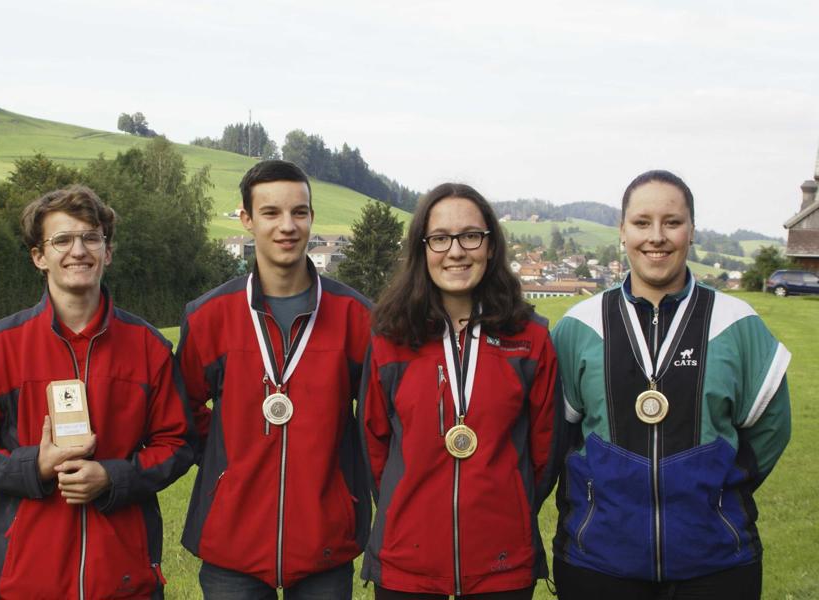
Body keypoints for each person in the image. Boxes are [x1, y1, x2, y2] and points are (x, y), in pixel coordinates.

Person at [0, 185, 195, 599]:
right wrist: (32, 467)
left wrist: (113, 477)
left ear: (107, 252)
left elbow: (178, 443)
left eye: (90, 237)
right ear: (39, 257)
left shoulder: (149, 348)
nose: (78, 250)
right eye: (62, 240)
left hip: (125, 581)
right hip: (27, 582)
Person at [550, 170, 792, 600]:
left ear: (692, 231)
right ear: (622, 231)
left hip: (716, 565)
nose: (656, 236)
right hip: (599, 564)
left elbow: (771, 428)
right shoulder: (578, 327)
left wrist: (716, 490)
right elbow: (555, 436)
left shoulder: (737, 325)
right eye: (642, 222)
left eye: (672, 222)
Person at [177, 160, 372, 599]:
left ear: (311, 218)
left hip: (325, 541)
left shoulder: (355, 316)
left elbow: (378, 417)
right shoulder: (209, 316)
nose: (287, 226)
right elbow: (181, 409)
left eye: (299, 212)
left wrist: (337, 475)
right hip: (232, 548)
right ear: (246, 219)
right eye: (271, 213)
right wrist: (230, 456)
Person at [359, 183, 564, 599]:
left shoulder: (530, 339)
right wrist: (409, 508)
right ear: (423, 250)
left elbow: (545, 451)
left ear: (490, 246)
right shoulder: (390, 338)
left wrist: (507, 501)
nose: (456, 251)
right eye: (440, 238)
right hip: (407, 567)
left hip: (501, 567)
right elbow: (374, 444)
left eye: (471, 236)